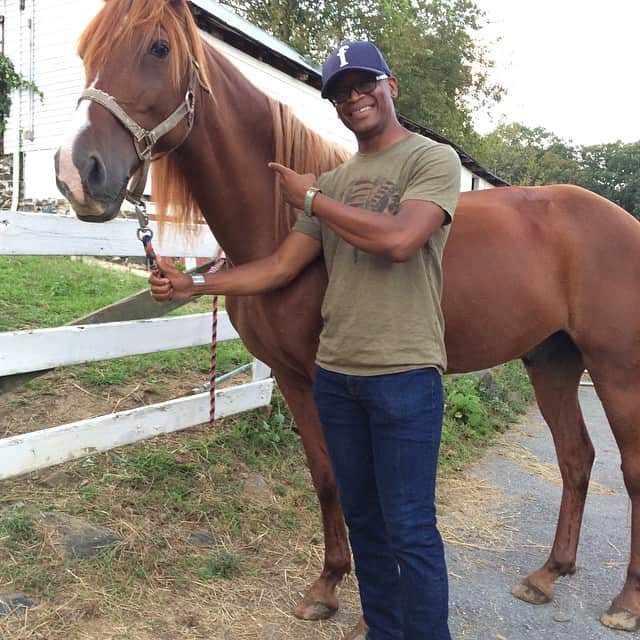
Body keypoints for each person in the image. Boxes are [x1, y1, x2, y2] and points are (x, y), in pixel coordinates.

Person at [150, 41, 461, 640]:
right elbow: (277, 268)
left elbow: (401, 239)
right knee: (366, 522)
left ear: (390, 85)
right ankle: (384, 630)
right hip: (338, 378)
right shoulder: (337, 181)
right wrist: (192, 284)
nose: (353, 97)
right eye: (340, 92)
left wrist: (314, 199)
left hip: (403, 372)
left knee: (411, 526)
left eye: (363, 82)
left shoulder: (431, 160)